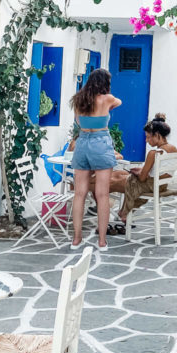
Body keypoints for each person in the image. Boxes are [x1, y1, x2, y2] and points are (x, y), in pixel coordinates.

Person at [69, 68, 121, 251]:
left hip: (82, 142)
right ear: (105, 83)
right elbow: (119, 102)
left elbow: (77, 122)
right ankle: (101, 241)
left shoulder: (78, 100)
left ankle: (76, 239)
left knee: (79, 194)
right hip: (100, 142)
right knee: (102, 194)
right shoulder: (107, 99)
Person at [109, 114, 177, 232]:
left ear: (157, 135)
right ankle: (125, 212)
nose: (146, 140)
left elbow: (142, 179)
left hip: (153, 185)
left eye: (148, 137)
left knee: (131, 180)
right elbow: (161, 169)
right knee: (130, 180)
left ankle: (124, 212)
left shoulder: (153, 153)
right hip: (163, 184)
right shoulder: (173, 148)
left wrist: (139, 173)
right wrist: (142, 171)